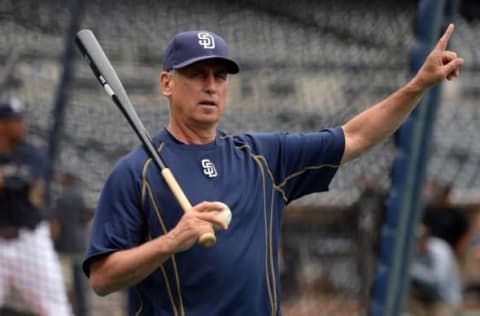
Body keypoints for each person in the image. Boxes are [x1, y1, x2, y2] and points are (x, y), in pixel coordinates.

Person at [83, 26, 464, 315]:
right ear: (167, 83)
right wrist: (172, 240)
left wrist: (418, 85)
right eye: (198, 74)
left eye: (219, 76)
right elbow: (102, 278)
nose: (211, 86)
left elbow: (357, 136)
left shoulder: (264, 156)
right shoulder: (137, 172)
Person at [0, 98, 73, 315]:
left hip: (29, 240)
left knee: (57, 310)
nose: (22, 125)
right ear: (2, 124)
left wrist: (7, 179)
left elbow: (24, 183)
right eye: (15, 120)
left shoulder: (32, 154)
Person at [52, 171, 91, 316]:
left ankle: (66, 312)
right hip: (79, 245)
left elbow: (56, 224)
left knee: (65, 284)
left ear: (66, 179)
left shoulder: (60, 197)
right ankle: (83, 311)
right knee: (80, 283)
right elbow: (84, 218)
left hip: (64, 246)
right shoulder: (79, 196)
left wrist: (52, 243)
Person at [409, 224, 462, 316]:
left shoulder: (439, 249)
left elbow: (437, 280)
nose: (416, 243)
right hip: (427, 299)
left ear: (426, 238)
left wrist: (413, 270)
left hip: (446, 302)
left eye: (418, 240)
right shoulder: (416, 251)